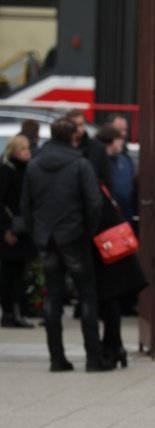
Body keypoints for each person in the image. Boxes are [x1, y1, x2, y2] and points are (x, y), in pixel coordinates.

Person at [21, 118, 109, 372]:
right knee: (87, 296)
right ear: (73, 137)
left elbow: (26, 205)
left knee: (53, 297)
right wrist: (88, 230)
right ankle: (93, 358)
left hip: (47, 237)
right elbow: (95, 202)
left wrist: (36, 231)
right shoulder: (80, 164)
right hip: (75, 236)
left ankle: (56, 358)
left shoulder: (35, 164)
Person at [92, 125, 148, 367]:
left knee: (109, 300)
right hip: (115, 247)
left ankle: (112, 347)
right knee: (111, 300)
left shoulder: (96, 183)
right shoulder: (104, 182)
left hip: (106, 249)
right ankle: (115, 346)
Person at [0, 135, 37, 328]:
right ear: (14, 150)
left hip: (23, 229)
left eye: (28, 148)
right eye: (23, 149)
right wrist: (6, 229)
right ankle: (10, 312)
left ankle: (17, 310)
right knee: (10, 273)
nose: (27, 152)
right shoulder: (7, 171)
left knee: (19, 272)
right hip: (11, 230)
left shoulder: (26, 170)